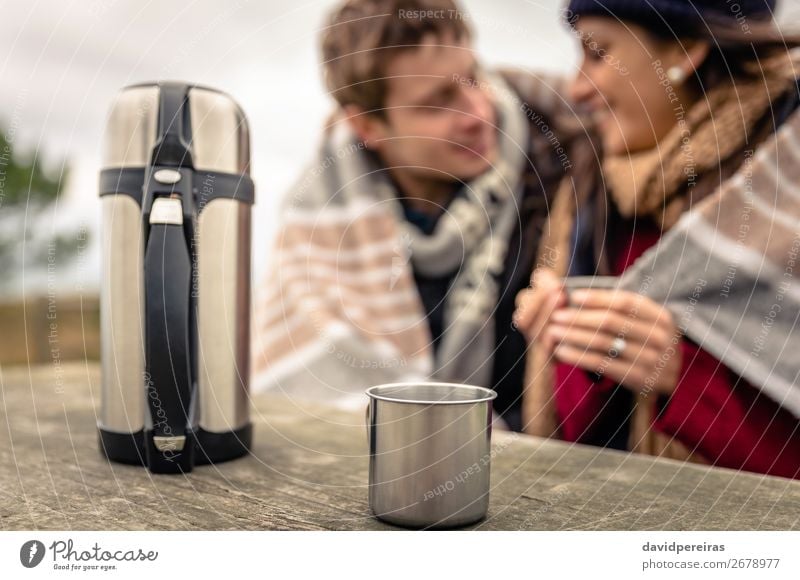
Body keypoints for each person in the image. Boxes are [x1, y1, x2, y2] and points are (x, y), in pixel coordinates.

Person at [252, 0, 580, 428]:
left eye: (473, 78)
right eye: (438, 103)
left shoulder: (568, 174)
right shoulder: (320, 220)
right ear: (368, 127)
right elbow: (307, 390)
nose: (478, 113)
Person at [514, 0, 800, 477]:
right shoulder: (588, 191)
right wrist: (573, 341)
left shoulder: (783, 192)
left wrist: (682, 378)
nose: (577, 87)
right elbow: (573, 439)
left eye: (599, 52)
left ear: (687, 48)